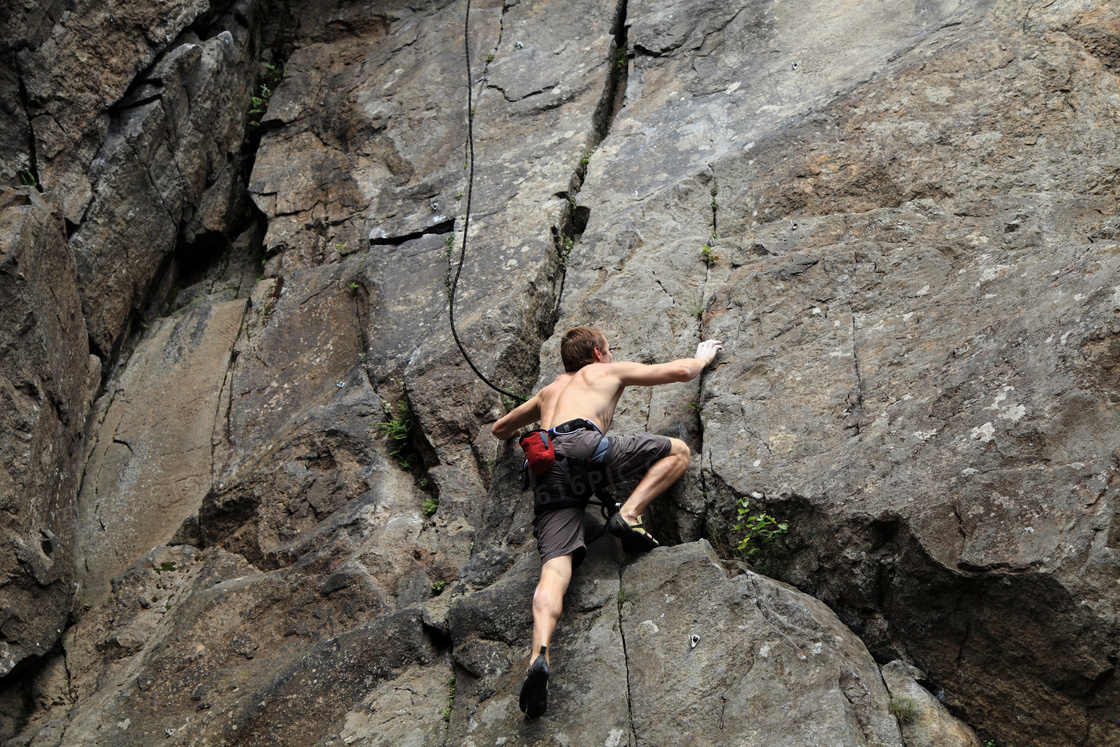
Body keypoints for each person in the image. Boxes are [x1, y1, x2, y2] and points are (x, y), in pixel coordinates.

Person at [490, 326, 723, 718]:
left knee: (554, 568)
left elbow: (499, 429)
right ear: (598, 353)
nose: (611, 356)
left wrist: (529, 424)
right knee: (678, 452)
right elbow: (681, 372)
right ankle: (629, 516)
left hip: (546, 471)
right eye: (609, 350)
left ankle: (539, 655)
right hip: (586, 450)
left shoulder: (548, 391)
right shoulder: (603, 373)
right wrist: (702, 357)